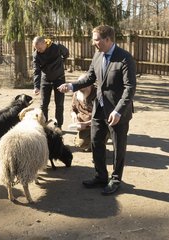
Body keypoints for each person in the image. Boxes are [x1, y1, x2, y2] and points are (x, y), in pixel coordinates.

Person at [58, 25, 136, 195]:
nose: (93, 42)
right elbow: (90, 77)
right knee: (96, 142)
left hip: (117, 112)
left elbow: (130, 88)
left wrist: (118, 111)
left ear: (107, 39)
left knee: (118, 147)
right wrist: (72, 85)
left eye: (96, 39)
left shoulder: (124, 58)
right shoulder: (98, 55)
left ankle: (115, 180)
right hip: (99, 107)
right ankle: (101, 176)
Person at [32, 36, 69, 129]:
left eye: (40, 48)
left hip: (59, 79)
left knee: (59, 103)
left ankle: (59, 125)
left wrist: (60, 62)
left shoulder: (57, 47)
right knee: (43, 104)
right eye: (36, 49)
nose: (38, 50)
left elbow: (66, 53)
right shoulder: (36, 55)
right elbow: (36, 70)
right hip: (46, 80)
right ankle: (44, 125)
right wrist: (36, 86)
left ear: (44, 43)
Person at [69, 82, 96, 152]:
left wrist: (86, 124)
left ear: (89, 87)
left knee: (98, 143)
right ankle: (90, 141)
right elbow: (72, 109)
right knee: (79, 144)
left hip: (98, 125)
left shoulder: (98, 95)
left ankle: (100, 142)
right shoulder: (76, 94)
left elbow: (102, 117)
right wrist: (73, 114)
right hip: (83, 125)